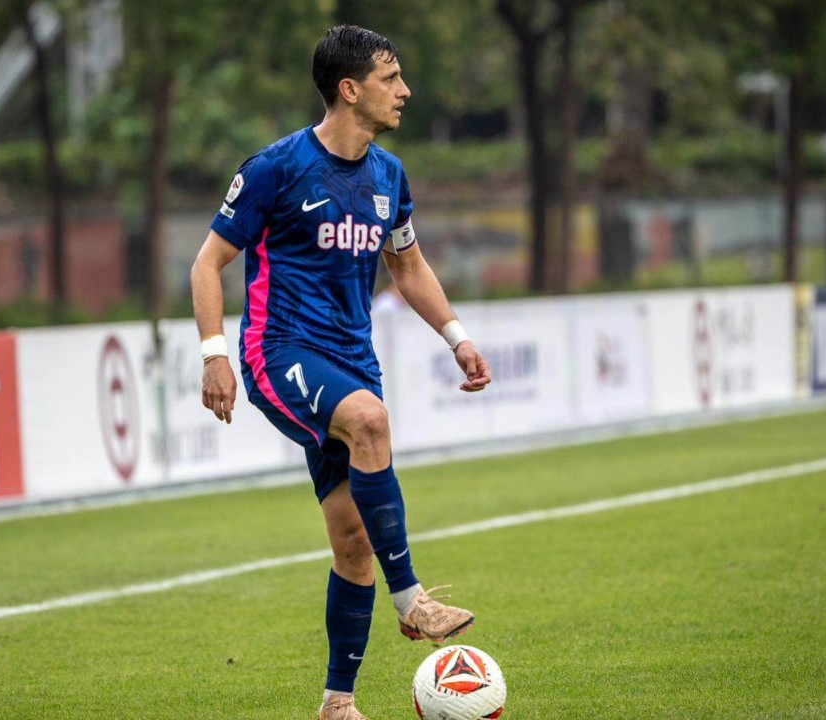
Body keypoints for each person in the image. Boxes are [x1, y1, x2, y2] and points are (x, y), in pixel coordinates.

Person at [190, 25, 492, 720]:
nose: (405, 90)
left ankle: (337, 703)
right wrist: (214, 354)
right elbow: (208, 262)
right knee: (369, 421)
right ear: (350, 89)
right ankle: (412, 601)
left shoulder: (389, 176)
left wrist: (457, 337)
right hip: (279, 352)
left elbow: (407, 266)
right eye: (391, 78)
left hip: (353, 360)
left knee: (354, 543)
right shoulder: (276, 168)